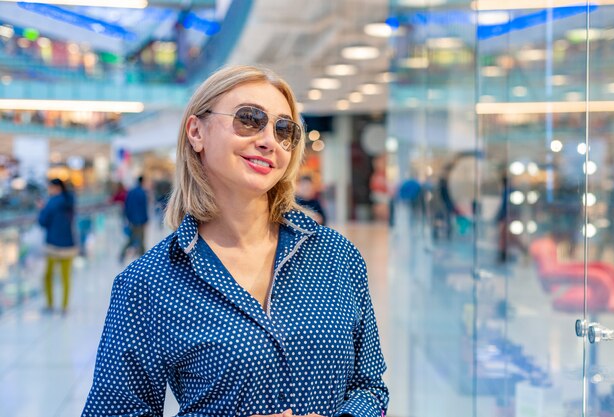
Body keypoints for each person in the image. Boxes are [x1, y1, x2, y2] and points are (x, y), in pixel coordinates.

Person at [82, 65, 388, 417]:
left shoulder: (337, 255)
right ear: (196, 131)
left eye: (284, 130)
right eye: (249, 119)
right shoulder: (147, 284)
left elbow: (370, 387)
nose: (269, 141)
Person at [38, 178, 77, 314]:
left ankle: (50, 304)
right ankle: (64, 306)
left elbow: (43, 221)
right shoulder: (69, 199)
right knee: (65, 277)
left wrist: (42, 209)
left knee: (48, 276)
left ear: (55, 188)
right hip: (69, 244)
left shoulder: (52, 202)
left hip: (53, 245)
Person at [119, 175, 149, 263]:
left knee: (133, 238)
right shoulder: (142, 193)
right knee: (139, 239)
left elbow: (127, 206)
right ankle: (143, 258)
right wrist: (145, 219)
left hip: (133, 220)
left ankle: (124, 255)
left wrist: (128, 218)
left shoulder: (131, 192)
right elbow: (143, 208)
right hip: (140, 220)